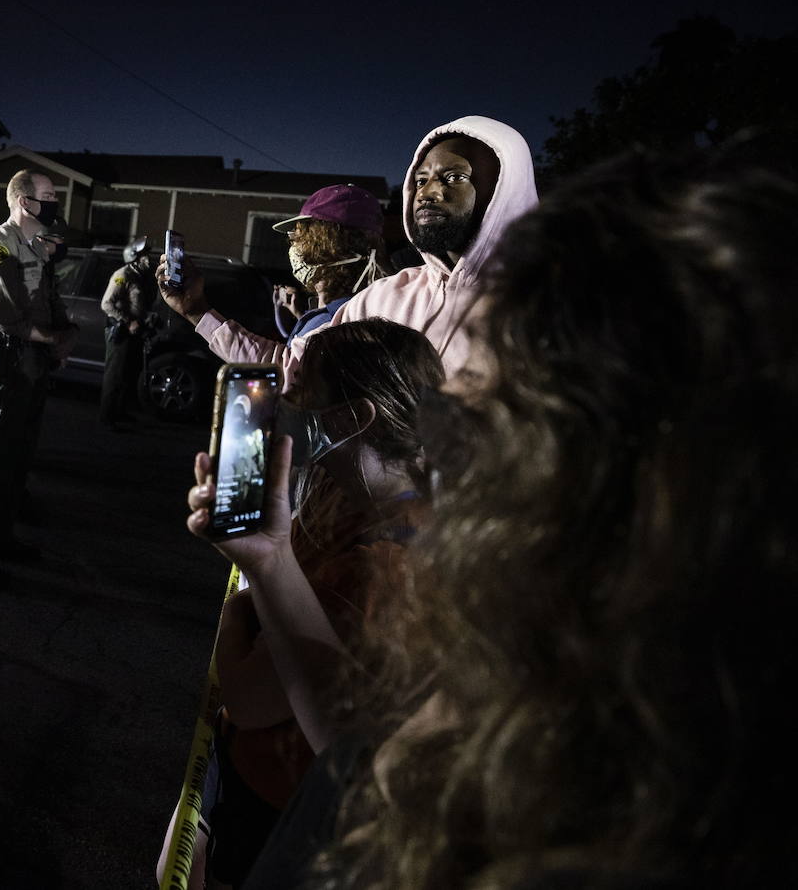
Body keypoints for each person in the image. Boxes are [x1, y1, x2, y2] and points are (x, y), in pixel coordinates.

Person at [255, 141, 798, 888]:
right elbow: (368, 767)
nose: (448, 412)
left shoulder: (617, 814)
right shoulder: (538, 650)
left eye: (504, 381)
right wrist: (271, 562)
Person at [173, 320, 443, 888]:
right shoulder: (343, 489)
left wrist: (238, 609)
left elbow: (248, 697)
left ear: (353, 417)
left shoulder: (378, 567)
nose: (286, 401)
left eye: (303, 390)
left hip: (282, 803)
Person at [159, 116, 537, 381]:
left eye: (454, 177)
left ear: (504, 192)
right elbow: (290, 369)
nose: (430, 192)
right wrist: (197, 312)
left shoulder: (551, 312)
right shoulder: (386, 300)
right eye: (421, 180)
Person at [0, 169, 78, 588]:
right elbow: (6, 317)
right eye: (47, 196)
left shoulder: (36, 248)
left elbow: (47, 303)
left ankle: (0, 539)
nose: (54, 203)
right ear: (24, 201)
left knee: (18, 457)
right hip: (5, 361)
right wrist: (53, 339)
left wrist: (62, 336)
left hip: (32, 361)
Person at [268, 184, 391, 344]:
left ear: (330, 244)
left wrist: (224, 331)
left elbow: (286, 364)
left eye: (300, 237)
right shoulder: (370, 306)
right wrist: (300, 315)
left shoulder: (339, 323)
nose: (294, 245)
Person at [98, 235, 157, 428]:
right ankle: (107, 418)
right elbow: (106, 304)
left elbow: (140, 303)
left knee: (127, 375)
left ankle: (120, 412)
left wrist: (146, 319)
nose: (148, 258)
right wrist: (128, 320)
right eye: (144, 255)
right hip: (120, 331)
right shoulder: (123, 274)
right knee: (114, 376)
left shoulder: (142, 276)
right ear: (134, 257)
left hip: (135, 331)